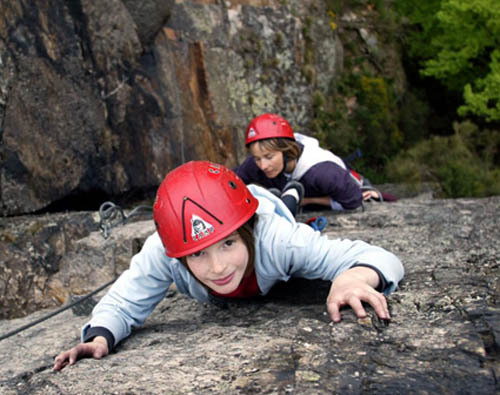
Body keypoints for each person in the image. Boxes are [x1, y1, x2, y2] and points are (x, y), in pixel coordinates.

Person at [53, 161, 404, 371]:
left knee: (284, 208)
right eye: (198, 254)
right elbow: (125, 300)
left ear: (246, 234)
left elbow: (382, 258)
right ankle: (287, 195)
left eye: (228, 244)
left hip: (264, 208)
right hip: (235, 205)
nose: (218, 267)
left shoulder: (277, 239)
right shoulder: (166, 249)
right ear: (179, 253)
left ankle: (289, 195)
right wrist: (100, 335)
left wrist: (352, 278)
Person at [234, 113, 392, 216]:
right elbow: (231, 181)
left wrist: (307, 201)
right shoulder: (257, 164)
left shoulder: (322, 173)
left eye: (269, 157)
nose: (263, 166)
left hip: (354, 189)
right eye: (257, 158)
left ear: (287, 151)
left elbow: (353, 200)